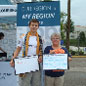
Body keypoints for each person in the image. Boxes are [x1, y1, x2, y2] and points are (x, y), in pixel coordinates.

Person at [10, 19, 43, 86]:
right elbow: (18, 49)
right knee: (24, 84)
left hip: (36, 64)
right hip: (25, 63)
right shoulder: (23, 36)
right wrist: (13, 59)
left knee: (36, 83)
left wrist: (40, 57)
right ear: (29, 26)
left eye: (36, 25)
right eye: (32, 25)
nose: (34, 27)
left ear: (38, 27)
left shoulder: (40, 38)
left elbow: (40, 51)